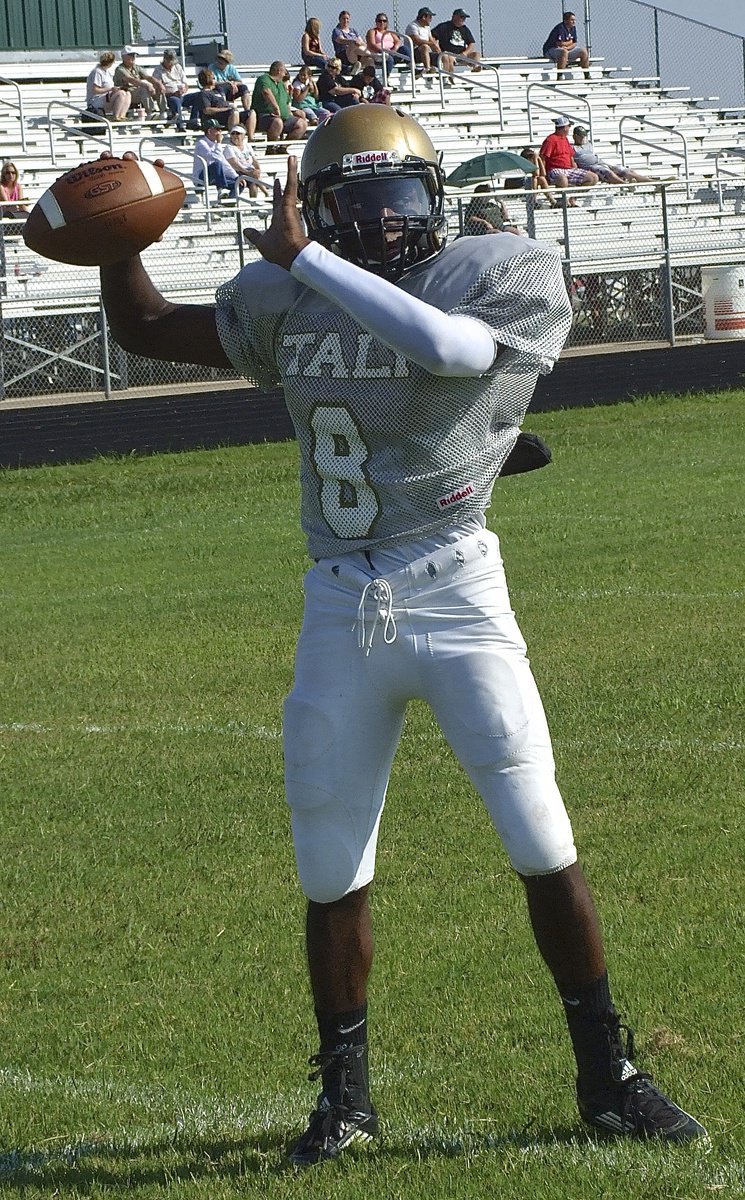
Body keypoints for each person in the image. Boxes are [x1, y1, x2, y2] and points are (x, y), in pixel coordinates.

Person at [100, 104, 707, 1167]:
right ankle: (343, 1100)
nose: (382, 227)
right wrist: (116, 246)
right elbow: (148, 330)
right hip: (340, 599)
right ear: (318, 210)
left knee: (539, 834)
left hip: (456, 587)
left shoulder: (492, 271)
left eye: (400, 201)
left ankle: (608, 1074)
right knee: (331, 859)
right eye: (357, 207)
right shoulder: (285, 294)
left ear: (435, 202)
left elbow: (452, 347)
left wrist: (307, 262)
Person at [250, 61, 309, 153]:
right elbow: (266, 92)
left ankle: (283, 147)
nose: (285, 74)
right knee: (277, 122)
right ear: (278, 71)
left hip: (284, 117)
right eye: (284, 72)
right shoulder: (264, 79)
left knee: (302, 124)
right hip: (264, 116)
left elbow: (286, 102)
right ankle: (270, 148)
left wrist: (290, 93)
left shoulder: (281, 84)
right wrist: (276, 108)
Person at [539, 115, 598, 203]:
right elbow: (543, 158)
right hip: (555, 169)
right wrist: (543, 174)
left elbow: (571, 157)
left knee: (593, 177)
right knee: (563, 179)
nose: (569, 128)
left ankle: (573, 199)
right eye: (568, 126)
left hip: (568, 169)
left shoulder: (565, 139)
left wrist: (575, 169)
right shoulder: (550, 140)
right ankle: (562, 203)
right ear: (564, 127)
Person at [572, 127, 652, 183]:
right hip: (591, 167)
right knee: (608, 172)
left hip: (600, 162)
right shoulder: (572, 147)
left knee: (624, 170)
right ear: (575, 136)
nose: (583, 138)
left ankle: (651, 181)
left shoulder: (588, 144)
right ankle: (625, 184)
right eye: (581, 136)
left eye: (584, 136)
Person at [191, 119, 238, 197]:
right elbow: (215, 158)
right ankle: (221, 190)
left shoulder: (215, 145)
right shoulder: (201, 143)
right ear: (209, 131)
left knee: (238, 183)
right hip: (201, 177)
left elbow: (224, 163)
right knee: (217, 164)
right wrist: (219, 143)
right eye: (217, 129)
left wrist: (236, 177)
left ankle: (227, 202)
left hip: (215, 176)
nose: (220, 132)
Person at [113, 46, 165, 115]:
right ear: (123, 57)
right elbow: (131, 80)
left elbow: (148, 77)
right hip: (127, 93)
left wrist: (158, 83)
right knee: (143, 89)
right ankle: (151, 112)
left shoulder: (136, 67)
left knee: (158, 87)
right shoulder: (120, 69)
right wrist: (147, 85)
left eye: (134, 55)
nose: (133, 57)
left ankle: (163, 112)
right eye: (130, 55)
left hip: (137, 92)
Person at [432, 8, 482, 78]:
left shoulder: (465, 29)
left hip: (462, 55)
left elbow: (471, 43)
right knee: (449, 57)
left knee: (476, 54)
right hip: (449, 54)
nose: (464, 19)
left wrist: (465, 53)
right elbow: (432, 36)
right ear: (455, 17)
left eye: (464, 18)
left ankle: (475, 67)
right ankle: (449, 77)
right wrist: (436, 47)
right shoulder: (444, 26)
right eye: (462, 17)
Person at [404, 7, 454, 76]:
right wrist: (432, 44)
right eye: (430, 17)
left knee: (445, 56)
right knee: (425, 46)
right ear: (424, 17)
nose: (431, 19)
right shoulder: (412, 26)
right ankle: (427, 69)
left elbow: (431, 40)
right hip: (414, 54)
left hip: (427, 53)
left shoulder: (427, 27)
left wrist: (438, 51)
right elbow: (417, 41)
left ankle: (445, 77)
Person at [222, 126, 270, 196]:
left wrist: (258, 169)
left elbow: (254, 160)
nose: (235, 136)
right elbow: (234, 164)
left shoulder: (247, 146)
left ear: (243, 135)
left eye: (238, 133)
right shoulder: (229, 148)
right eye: (233, 134)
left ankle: (255, 201)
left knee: (253, 182)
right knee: (253, 178)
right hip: (237, 172)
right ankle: (266, 193)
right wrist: (247, 172)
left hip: (249, 170)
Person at [542, 11, 590, 80]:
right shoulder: (560, 28)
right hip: (551, 50)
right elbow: (560, 43)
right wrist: (569, 43)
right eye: (572, 20)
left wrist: (567, 46)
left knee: (583, 51)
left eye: (574, 20)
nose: (574, 22)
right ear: (566, 21)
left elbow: (574, 43)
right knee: (564, 52)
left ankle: (587, 75)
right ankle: (559, 76)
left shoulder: (573, 28)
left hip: (566, 49)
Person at [191, 68, 240, 132]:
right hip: (214, 117)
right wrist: (227, 109)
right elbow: (207, 110)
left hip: (226, 114)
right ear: (208, 80)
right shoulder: (203, 94)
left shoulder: (217, 91)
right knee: (234, 112)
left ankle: (249, 137)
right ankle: (234, 135)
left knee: (250, 113)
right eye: (213, 78)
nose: (215, 80)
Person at [86, 51, 131, 121]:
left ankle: (122, 116)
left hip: (106, 98)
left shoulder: (107, 73)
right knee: (121, 94)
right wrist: (110, 89)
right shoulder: (97, 72)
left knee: (127, 94)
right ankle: (116, 117)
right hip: (96, 100)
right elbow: (95, 90)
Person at [152, 49, 189, 131]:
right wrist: (172, 94)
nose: (172, 64)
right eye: (170, 62)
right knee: (176, 101)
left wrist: (184, 89)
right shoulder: (158, 71)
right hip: (169, 97)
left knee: (198, 97)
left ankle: (193, 122)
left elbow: (186, 84)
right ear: (165, 60)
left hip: (182, 95)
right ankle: (180, 126)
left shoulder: (178, 67)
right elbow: (158, 91)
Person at [209, 48, 251, 115]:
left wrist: (234, 83)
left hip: (231, 90)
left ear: (227, 63)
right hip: (217, 91)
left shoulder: (231, 68)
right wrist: (227, 83)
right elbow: (212, 82)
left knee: (244, 88)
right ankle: (225, 110)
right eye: (218, 60)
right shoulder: (212, 67)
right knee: (220, 88)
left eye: (221, 63)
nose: (218, 63)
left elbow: (239, 81)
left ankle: (247, 111)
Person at [365, 12, 409, 77]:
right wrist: (384, 51)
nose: (382, 23)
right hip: (379, 54)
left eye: (384, 21)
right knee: (389, 58)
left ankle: (412, 66)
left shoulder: (390, 32)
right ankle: (386, 78)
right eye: (379, 21)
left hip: (392, 53)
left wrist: (394, 49)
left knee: (404, 49)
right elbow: (372, 44)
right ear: (376, 22)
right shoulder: (373, 31)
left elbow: (398, 41)